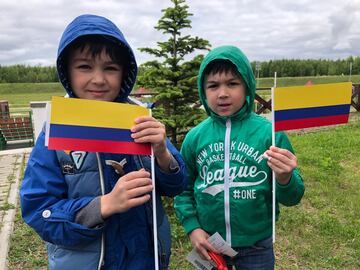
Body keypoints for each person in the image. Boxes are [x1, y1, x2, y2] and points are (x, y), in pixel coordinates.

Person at [20, 14, 187, 270]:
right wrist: (104, 205)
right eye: (85, 67)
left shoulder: (138, 120)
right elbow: (38, 209)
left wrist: (163, 153)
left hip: (146, 260)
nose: (98, 79)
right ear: (67, 71)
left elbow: (176, 185)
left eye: (110, 68)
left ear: (124, 73)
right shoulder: (56, 131)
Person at [174, 45, 305, 270]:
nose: (222, 93)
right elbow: (183, 189)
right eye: (213, 86)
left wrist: (285, 178)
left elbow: (292, 197)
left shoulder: (270, 134)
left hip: (257, 245)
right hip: (210, 243)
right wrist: (193, 227)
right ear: (203, 91)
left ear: (247, 86)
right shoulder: (195, 137)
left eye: (232, 84)